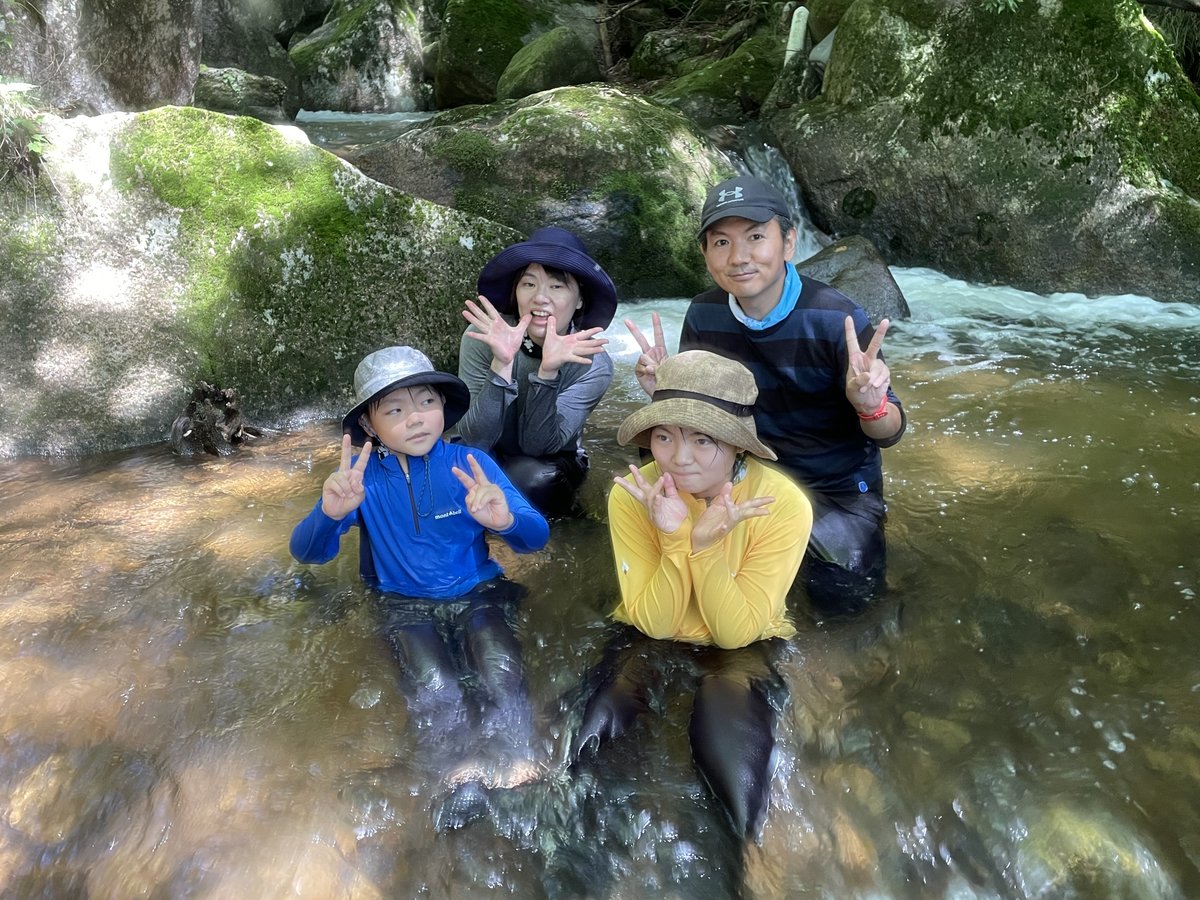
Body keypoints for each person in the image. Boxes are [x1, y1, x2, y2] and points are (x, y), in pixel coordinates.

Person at [627, 175, 906, 615]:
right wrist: (664, 396)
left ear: (788, 242)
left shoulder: (836, 318)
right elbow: (700, 421)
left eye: (755, 237)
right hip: (742, 476)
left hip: (833, 488)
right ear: (705, 254)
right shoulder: (704, 313)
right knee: (684, 587)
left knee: (846, 598)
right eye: (721, 242)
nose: (738, 257)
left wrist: (871, 406)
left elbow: (890, 432)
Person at [570, 350, 813, 841]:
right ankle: (578, 844)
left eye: (703, 440)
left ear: (738, 445)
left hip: (745, 639)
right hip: (649, 627)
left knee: (730, 753)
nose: (679, 459)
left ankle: (746, 859)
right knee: (595, 739)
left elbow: (735, 632)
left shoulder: (782, 504)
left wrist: (705, 548)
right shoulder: (634, 495)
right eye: (665, 437)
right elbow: (655, 624)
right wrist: (678, 538)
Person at [290, 346, 550, 801]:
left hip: (479, 592)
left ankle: (519, 761)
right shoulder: (361, 481)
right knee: (436, 688)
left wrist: (506, 520)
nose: (415, 418)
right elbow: (307, 552)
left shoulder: (471, 465)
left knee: (501, 672)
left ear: (443, 406)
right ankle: (455, 773)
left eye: (427, 402)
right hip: (403, 603)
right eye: (395, 410)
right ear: (370, 425)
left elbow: (536, 537)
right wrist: (330, 514)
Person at [457, 227, 618, 517]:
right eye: (529, 284)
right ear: (516, 292)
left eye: (556, 287)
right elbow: (475, 438)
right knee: (450, 473)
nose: (540, 297)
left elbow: (537, 445)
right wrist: (501, 364)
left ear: (580, 299)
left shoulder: (593, 362)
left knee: (532, 481)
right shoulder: (484, 335)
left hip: (550, 459)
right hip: (489, 448)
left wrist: (548, 373)